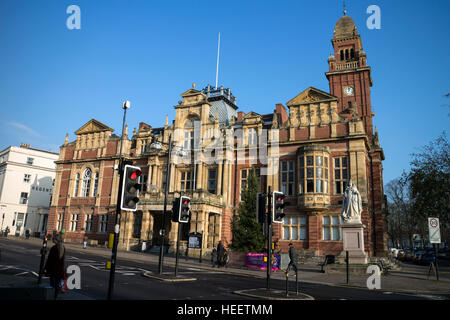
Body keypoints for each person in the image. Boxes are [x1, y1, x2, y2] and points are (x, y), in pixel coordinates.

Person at [44, 232, 67, 299]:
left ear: (56, 239)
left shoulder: (54, 248)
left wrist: (46, 268)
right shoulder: (63, 247)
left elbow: (50, 260)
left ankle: (52, 297)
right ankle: (55, 297)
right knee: (57, 285)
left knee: (53, 285)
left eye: (53, 239)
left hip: (53, 270)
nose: (52, 240)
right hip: (59, 270)